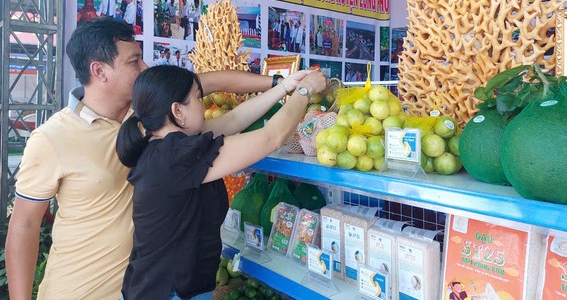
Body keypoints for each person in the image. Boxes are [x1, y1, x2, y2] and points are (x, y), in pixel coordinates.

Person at [5, 18, 293, 300]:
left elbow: (212, 81)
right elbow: (25, 226)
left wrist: (279, 82)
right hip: (81, 290)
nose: (145, 68)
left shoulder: (150, 119)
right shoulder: (52, 139)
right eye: (134, 62)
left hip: (145, 286)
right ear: (99, 71)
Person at [116, 65, 326, 299]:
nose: (202, 105)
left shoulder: (164, 145)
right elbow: (271, 138)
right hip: (168, 292)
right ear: (177, 111)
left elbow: (234, 119)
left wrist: (285, 87)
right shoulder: (175, 156)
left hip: (164, 287)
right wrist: (305, 91)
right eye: (198, 98)